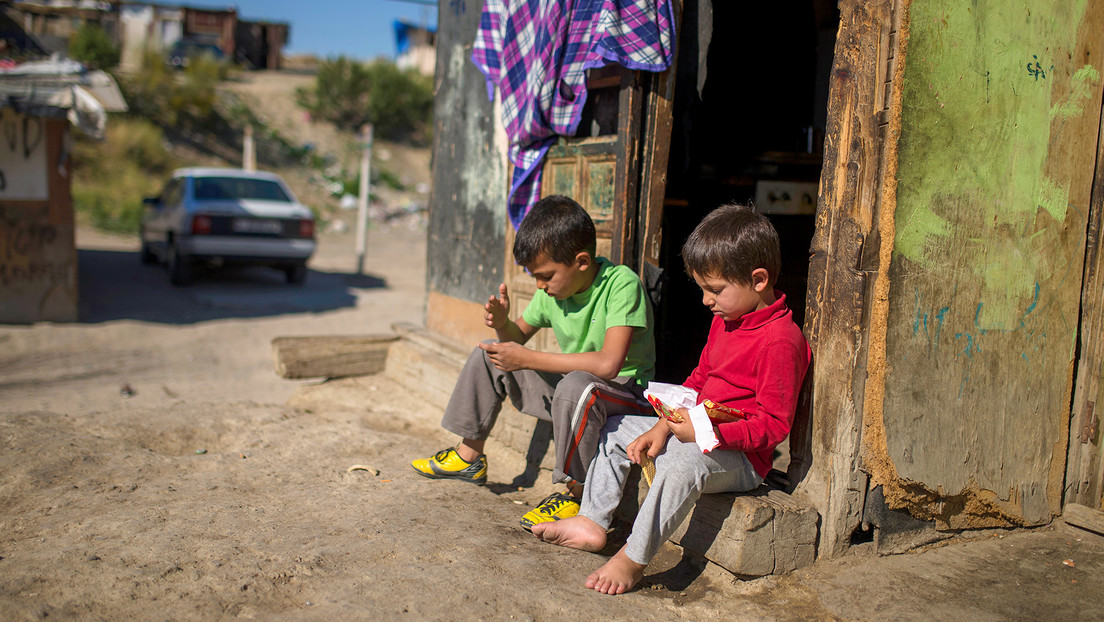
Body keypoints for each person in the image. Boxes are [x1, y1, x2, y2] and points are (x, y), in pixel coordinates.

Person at [531, 203, 811, 594]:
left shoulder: (781, 341)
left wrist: (702, 434)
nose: (705, 301)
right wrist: (663, 425)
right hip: (694, 433)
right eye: (702, 289)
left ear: (759, 280)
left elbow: (773, 427)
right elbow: (699, 379)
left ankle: (633, 558)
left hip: (742, 459)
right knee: (616, 427)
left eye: (714, 290)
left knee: (681, 464)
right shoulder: (724, 321)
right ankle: (592, 519)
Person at [411, 195, 657, 529]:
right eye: (535, 277)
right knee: (491, 354)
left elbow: (609, 365)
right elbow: (515, 341)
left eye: (546, 276)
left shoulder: (621, 285)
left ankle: (576, 494)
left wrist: (527, 358)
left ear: (582, 262)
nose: (539, 286)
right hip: (577, 391)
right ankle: (469, 456)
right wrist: (501, 323)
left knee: (576, 385)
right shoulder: (551, 294)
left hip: (626, 395)